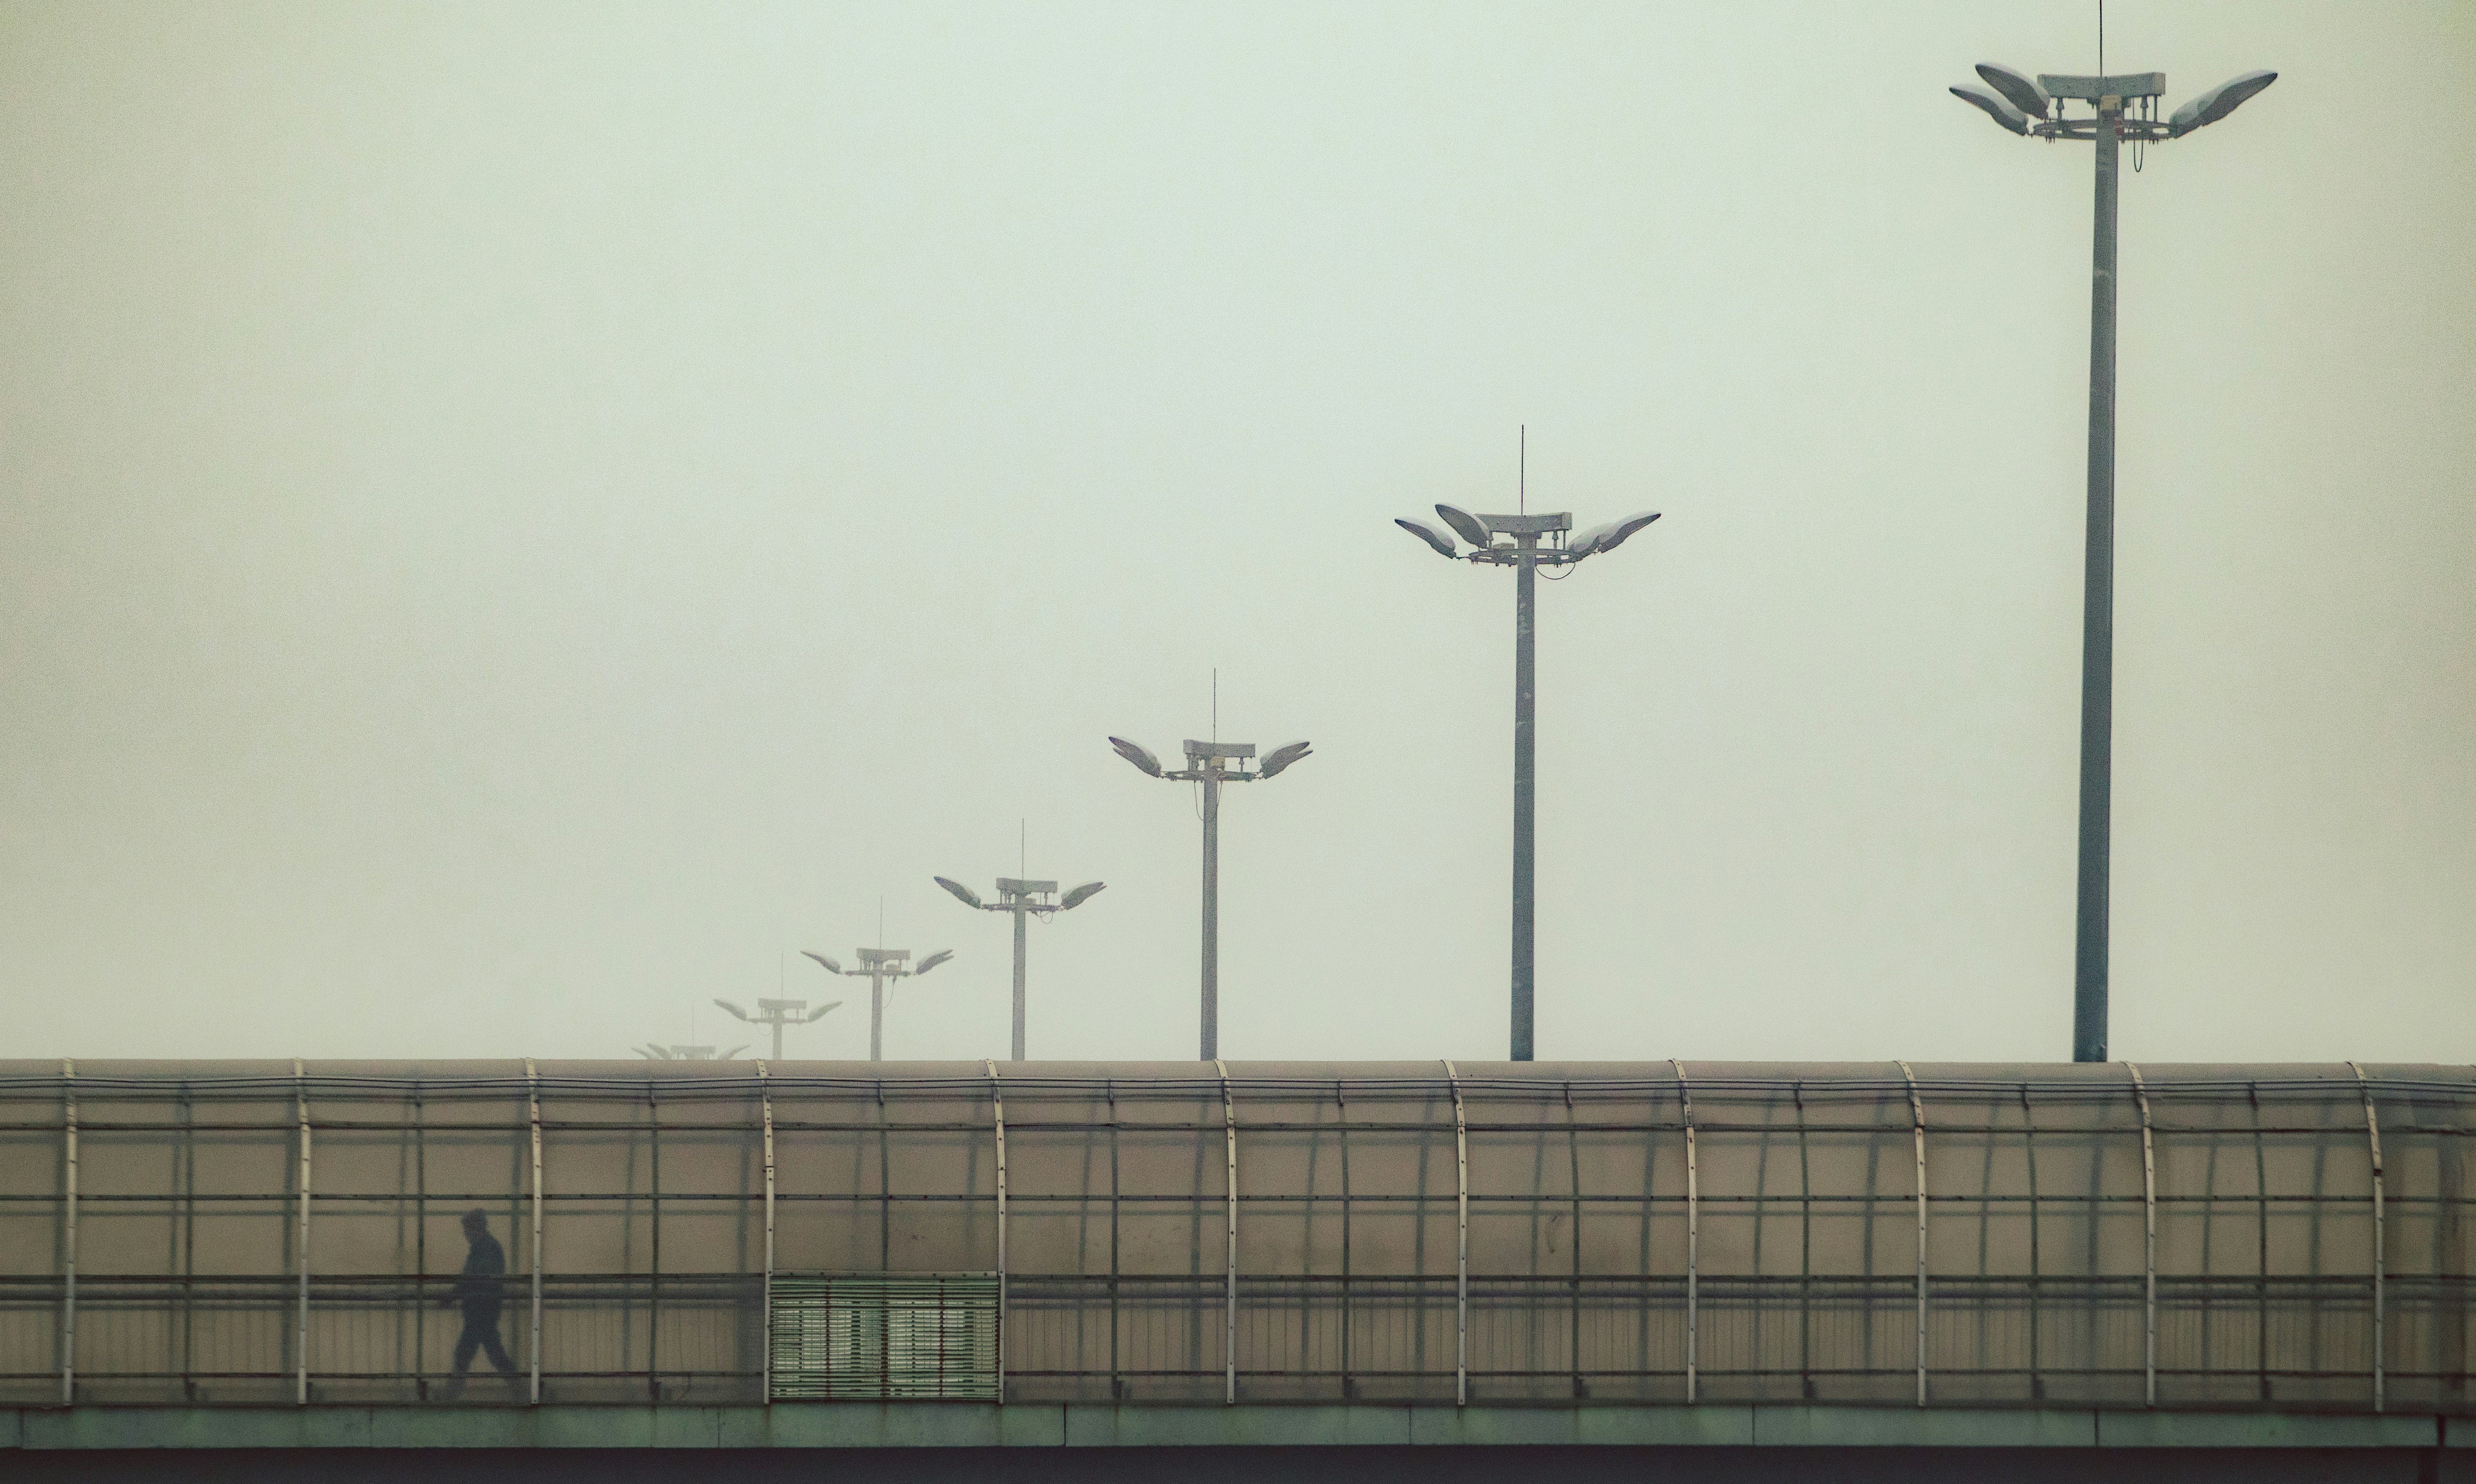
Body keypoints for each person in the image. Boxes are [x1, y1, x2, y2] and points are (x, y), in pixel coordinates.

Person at [439, 1208, 521, 1401]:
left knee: (468, 1352)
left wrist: (451, 1296)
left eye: (468, 1230)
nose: (466, 1235)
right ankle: (522, 1389)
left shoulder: (485, 1249)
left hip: (481, 1310)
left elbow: (471, 1279)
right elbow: (472, 1279)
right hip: (484, 1309)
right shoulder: (487, 1248)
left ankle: (450, 1395)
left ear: (476, 1228)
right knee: (492, 1353)